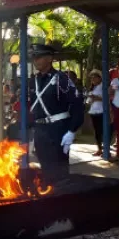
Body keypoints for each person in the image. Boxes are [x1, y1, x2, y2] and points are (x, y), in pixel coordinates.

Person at [27, 45, 84, 182]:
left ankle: (62, 199)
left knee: (59, 171)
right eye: (34, 57)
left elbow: (77, 104)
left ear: (49, 58)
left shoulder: (61, 79)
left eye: (39, 57)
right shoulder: (33, 81)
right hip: (40, 129)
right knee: (45, 168)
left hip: (57, 129)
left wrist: (71, 131)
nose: (35, 60)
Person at [85, 70, 106, 157]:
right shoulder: (92, 88)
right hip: (93, 112)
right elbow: (89, 101)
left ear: (99, 78)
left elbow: (106, 98)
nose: (92, 79)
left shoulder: (103, 87)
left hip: (101, 111)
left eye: (94, 77)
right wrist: (89, 100)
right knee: (97, 132)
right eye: (91, 78)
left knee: (102, 131)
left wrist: (96, 97)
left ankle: (105, 149)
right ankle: (99, 149)